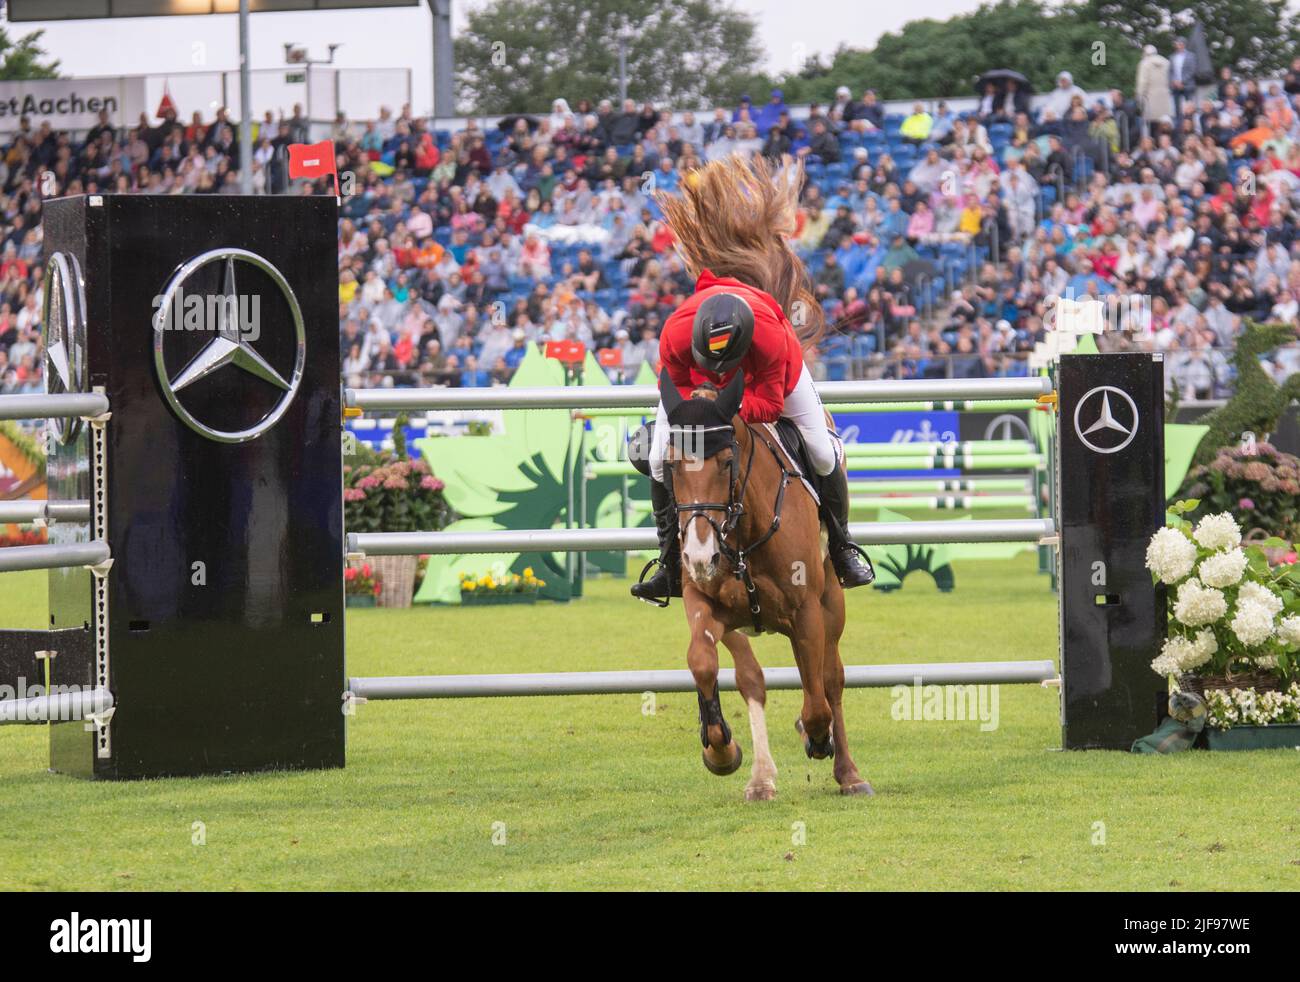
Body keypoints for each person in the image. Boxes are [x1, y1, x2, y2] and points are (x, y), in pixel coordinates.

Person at [627, 156, 875, 605]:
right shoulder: (678, 333)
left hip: (768, 382)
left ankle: (841, 548)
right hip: (695, 383)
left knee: (821, 451)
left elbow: (771, 402)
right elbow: (676, 384)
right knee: (663, 461)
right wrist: (699, 408)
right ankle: (668, 563)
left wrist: (729, 410)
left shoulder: (772, 337)